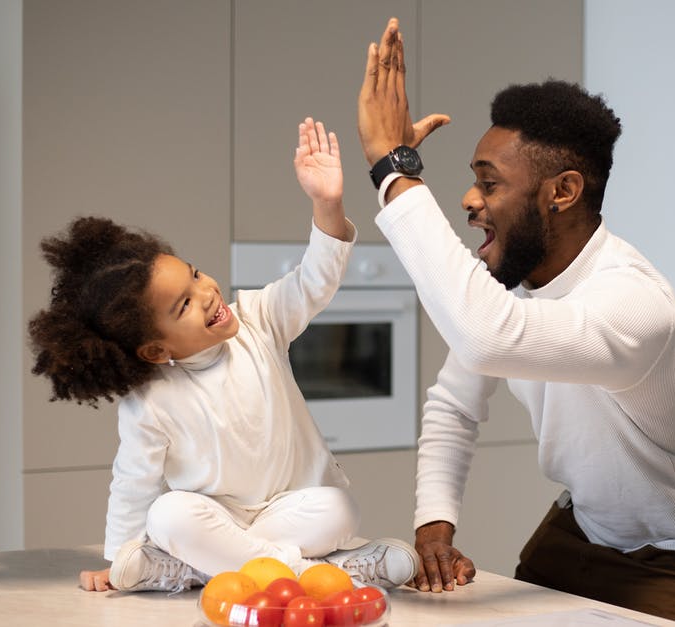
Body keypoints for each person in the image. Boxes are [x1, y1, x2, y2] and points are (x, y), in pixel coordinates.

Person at [356, 19, 675, 626]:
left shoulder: (634, 303)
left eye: (489, 182)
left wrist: (393, 170)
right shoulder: (509, 285)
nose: (468, 198)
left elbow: (485, 336)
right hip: (583, 525)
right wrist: (435, 526)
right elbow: (455, 403)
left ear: (562, 191)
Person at [28, 118, 417, 594]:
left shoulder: (258, 318)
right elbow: (133, 482)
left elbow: (316, 279)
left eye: (195, 275)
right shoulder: (150, 401)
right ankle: (328, 573)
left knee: (340, 509)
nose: (207, 292)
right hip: (215, 518)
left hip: (287, 511)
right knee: (169, 513)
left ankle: (198, 570)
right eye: (184, 304)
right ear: (156, 349)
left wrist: (327, 203)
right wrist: (119, 560)